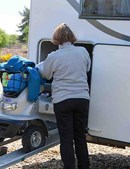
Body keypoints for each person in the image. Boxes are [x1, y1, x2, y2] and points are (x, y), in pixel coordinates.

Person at [37, 23, 91, 169]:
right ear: (71, 37)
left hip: (63, 100)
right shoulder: (83, 52)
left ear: (56, 38)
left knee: (66, 138)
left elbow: (46, 74)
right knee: (80, 137)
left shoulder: (53, 56)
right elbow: (87, 68)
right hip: (82, 99)